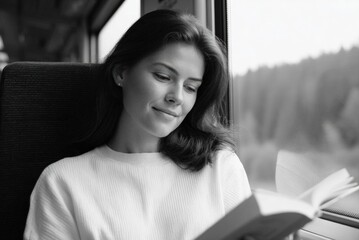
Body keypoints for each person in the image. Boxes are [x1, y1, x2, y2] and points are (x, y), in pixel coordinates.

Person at [24, 9, 251, 240]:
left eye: (191, 87)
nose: (177, 97)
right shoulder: (62, 181)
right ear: (121, 73)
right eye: (163, 76)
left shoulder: (220, 166)